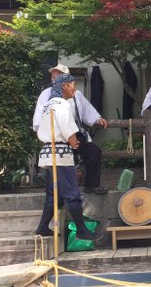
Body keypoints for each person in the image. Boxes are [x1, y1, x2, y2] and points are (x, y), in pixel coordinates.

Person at [34, 73, 100, 239]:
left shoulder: (48, 104)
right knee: (71, 192)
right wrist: (73, 142)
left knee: (53, 194)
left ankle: (42, 227)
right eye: (72, 84)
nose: (74, 87)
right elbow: (69, 130)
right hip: (61, 155)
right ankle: (81, 230)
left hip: (48, 154)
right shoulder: (62, 105)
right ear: (64, 86)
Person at [33, 64, 108, 195]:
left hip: (75, 134)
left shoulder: (76, 94)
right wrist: (41, 132)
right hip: (56, 137)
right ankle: (54, 195)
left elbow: (87, 110)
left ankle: (91, 185)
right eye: (52, 74)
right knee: (57, 165)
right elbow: (40, 115)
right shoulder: (46, 95)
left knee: (94, 152)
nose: (53, 77)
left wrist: (97, 119)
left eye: (56, 74)